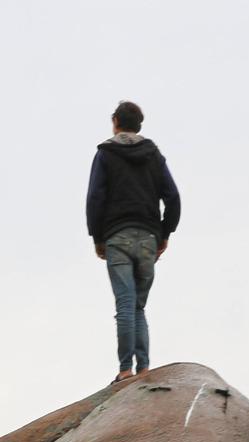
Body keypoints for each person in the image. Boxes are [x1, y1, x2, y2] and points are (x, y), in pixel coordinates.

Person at [85, 100, 181, 382]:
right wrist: (164, 233)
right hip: (148, 237)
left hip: (117, 235)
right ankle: (145, 368)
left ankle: (126, 370)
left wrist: (97, 236)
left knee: (125, 304)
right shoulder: (154, 155)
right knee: (138, 306)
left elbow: (95, 198)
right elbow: (173, 197)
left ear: (115, 121)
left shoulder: (105, 154)